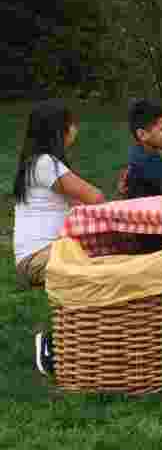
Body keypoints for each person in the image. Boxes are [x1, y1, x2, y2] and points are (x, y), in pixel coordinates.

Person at [16, 101, 107, 376]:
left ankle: (81, 341)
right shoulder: (46, 163)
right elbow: (96, 197)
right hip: (40, 256)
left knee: (102, 267)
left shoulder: (36, 164)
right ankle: (52, 341)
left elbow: (74, 206)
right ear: (59, 130)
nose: (75, 129)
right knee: (98, 273)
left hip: (41, 253)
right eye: (71, 124)